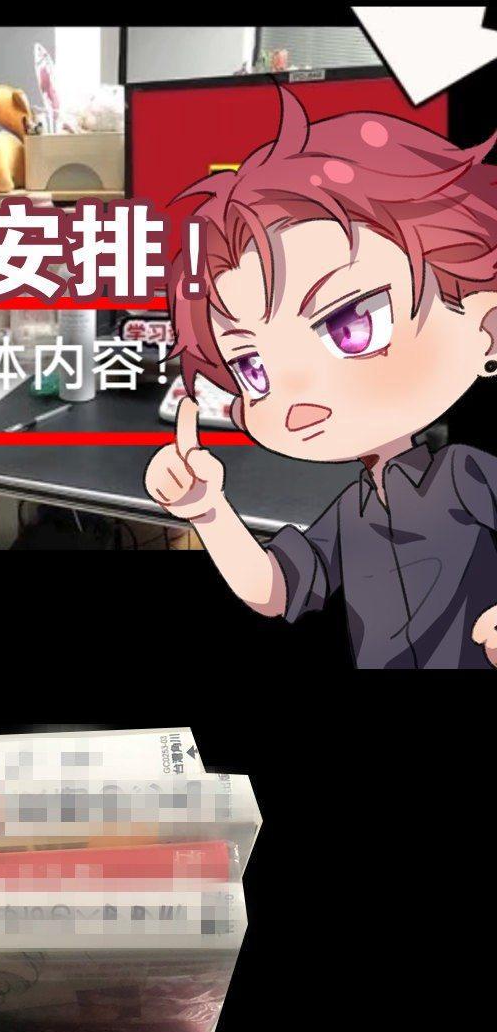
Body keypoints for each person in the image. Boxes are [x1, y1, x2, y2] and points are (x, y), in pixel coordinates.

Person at [145, 89, 497, 669]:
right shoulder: (351, 512)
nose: (294, 399)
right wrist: (209, 512)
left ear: (486, 327)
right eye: (252, 369)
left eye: (352, 324)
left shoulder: (467, 477)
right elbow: (274, 590)